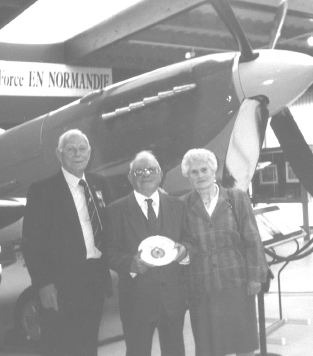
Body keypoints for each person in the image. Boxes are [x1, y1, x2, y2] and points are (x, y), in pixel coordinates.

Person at [22, 129, 113, 356]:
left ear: (89, 153)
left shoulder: (98, 183)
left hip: (94, 281)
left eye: (82, 149)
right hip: (60, 286)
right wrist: (43, 283)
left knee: (88, 345)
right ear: (59, 154)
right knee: (59, 347)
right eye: (70, 150)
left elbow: (110, 226)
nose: (77, 154)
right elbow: (32, 242)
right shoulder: (42, 190)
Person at [106, 150, 197, 356]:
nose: (146, 174)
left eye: (151, 169)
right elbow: (110, 252)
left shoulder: (178, 206)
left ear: (161, 174)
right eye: (139, 171)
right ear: (130, 178)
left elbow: (191, 241)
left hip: (172, 300)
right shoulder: (115, 210)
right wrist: (131, 264)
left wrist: (184, 252)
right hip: (136, 301)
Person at [181, 148, 268, 356]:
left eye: (204, 169)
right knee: (209, 346)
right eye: (194, 172)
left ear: (214, 171)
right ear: (188, 177)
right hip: (202, 285)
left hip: (235, 281)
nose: (200, 175)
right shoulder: (183, 204)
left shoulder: (235, 198)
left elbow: (252, 239)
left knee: (242, 343)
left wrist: (255, 277)